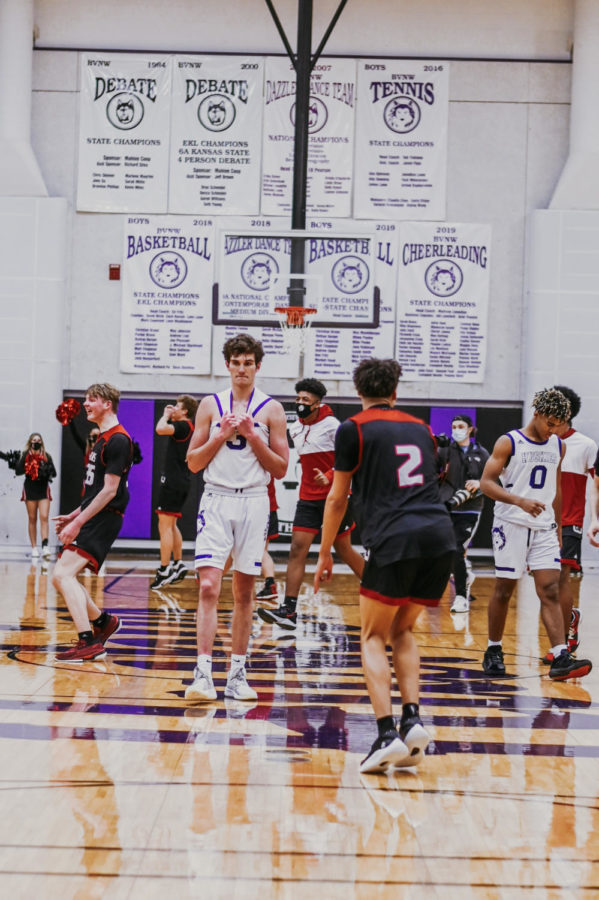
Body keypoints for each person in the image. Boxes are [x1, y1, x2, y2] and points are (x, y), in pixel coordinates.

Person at [314, 358, 455, 774]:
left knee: (373, 636)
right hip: (440, 535)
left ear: (359, 391)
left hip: (396, 537)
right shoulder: (421, 428)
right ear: (395, 390)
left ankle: (385, 732)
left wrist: (326, 552)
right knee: (403, 630)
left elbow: (337, 498)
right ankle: (412, 720)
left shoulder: (352, 428)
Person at [185, 334, 289, 703]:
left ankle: (237, 675)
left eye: (248, 362)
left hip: (255, 502)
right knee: (209, 587)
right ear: (227, 365)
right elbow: (194, 462)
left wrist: (250, 436)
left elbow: (280, 468)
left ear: (257, 366)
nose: (241, 368)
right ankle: (202, 674)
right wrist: (223, 434)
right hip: (215, 499)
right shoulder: (209, 406)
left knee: (245, 592)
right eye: (236, 361)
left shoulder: (272, 409)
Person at [480, 387, 592, 681]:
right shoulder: (509, 442)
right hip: (511, 523)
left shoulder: (558, 445)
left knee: (550, 588)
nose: (553, 429)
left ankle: (560, 655)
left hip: (544, 527)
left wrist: (557, 528)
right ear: (537, 413)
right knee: (505, 590)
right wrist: (519, 500)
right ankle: (493, 650)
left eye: (559, 425)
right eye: (550, 422)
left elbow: (556, 491)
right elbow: (486, 483)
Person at [257, 378, 364, 630]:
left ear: (318, 403)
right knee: (297, 549)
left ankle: (381, 591)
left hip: (333, 498)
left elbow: (352, 457)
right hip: (307, 498)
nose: (301, 404)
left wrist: (328, 475)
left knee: (345, 551)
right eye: (298, 399)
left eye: (306, 400)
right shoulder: (295, 427)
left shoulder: (332, 425)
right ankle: (289, 611)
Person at [51, 383, 132, 662]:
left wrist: (78, 523)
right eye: (86, 399)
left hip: (104, 518)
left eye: (92, 400)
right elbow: (96, 489)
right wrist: (74, 515)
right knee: (62, 575)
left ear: (107, 404)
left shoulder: (119, 440)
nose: (86, 404)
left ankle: (89, 642)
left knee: (62, 575)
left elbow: (110, 491)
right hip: (94, 516)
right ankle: (102, 622)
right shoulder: (103, 438)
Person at [541, 386, 596, 663]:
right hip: (540, 521)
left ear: (567, 413)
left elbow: (596, 484)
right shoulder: (538, 441)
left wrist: (595, 519)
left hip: (569, 521)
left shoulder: (586, 445)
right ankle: (567, 619)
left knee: (561, 577)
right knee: (545, 583)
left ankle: (559, 646)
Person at [437, 415, 489, 613]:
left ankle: (460, 597)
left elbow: (494, 481)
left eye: (460, 426)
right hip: (447, 506)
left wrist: (480, 484)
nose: (456, 429)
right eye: (453, 426)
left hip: (470, 509)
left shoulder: (482, 453)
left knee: (457, 549)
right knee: (445, 550)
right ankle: (463, 574)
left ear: (470, 429)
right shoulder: (445, 451)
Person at [151, 394, 199, 590]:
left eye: (177, 406)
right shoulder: (188, 428)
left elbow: (160, 429)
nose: (173, 409)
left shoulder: (182, 426)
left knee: (164, 526)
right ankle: (178, 563)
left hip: (173, 481)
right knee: (171, 525)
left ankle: (164, 570)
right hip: (181, 481)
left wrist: (165, 415)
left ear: (185, 411)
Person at [15, 433, 57, 559]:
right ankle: (34, 548)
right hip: (30, 489)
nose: (36, 442)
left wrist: (46, 470)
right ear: (30, 442)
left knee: (44, 517)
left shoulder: (46, 456)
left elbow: (54, 473)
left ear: (41, 442)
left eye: (39, 440)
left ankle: (45, 545)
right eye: (34, 440)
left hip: (43, 489)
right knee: (32, 518)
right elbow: (18, 471)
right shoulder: (25, 455)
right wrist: (28, 467)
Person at [255, 476, 281, 602]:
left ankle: (270, 583)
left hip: (258, 507)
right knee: (261, 550)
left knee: (260, 551)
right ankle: (269, 585)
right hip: (270, 508)